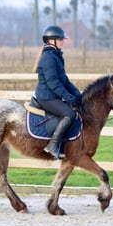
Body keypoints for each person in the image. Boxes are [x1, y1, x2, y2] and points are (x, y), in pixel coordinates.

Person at [32, 25, 81, 159]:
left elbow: (64, 80)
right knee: (70, 114)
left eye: (62, 39)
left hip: (53, 95)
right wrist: (69, 98)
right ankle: (53, 145)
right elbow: (53, 83)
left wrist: (78, 95)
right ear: (51, 41)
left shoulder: (56, 56)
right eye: (60, 39)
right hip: (46, 97)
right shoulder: (49, 58)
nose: (63, 41)